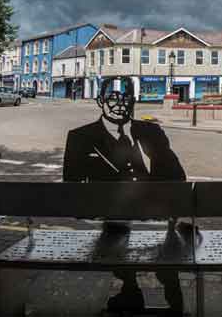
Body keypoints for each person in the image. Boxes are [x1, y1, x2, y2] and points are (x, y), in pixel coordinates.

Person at [63, 79, 188, 315]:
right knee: (120, 231)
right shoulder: (80, 137)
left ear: (133, 102)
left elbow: (177, 176)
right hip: (114, 217)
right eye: (112, 97)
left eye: (125, 98)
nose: (119, 103)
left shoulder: (151, 132)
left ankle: (140, 293)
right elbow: (73, 187)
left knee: (153, 233)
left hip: (152, 216)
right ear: (100, 100)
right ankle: (132, 291)